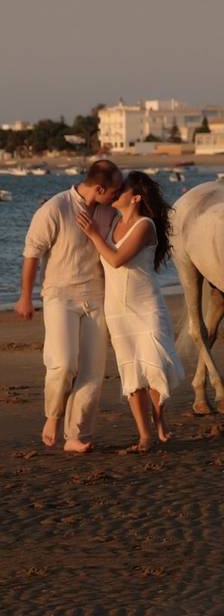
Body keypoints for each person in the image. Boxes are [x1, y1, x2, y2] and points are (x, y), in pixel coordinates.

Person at [15, 160, 123, 452]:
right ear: (99, 188)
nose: (119, 194)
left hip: (97, 298)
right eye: (115, 190)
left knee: (92, 371)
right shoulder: (55, 208)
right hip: (59, 296)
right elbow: (32, 254)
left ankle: (76, 435)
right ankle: (53, 416)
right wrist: (25, 296)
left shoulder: (110, 212)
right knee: (63, 363)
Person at [76, 171, 184, 453]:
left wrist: (93, 234)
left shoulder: (145, 225)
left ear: (135, 198)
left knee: (155, 366)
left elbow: (115, 260)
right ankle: (144, 435)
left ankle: (160, 422)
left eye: (122, 190)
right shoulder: (113, 223)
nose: (116, 192)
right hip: (117, 311)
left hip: (146, 307)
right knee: (132, 373)